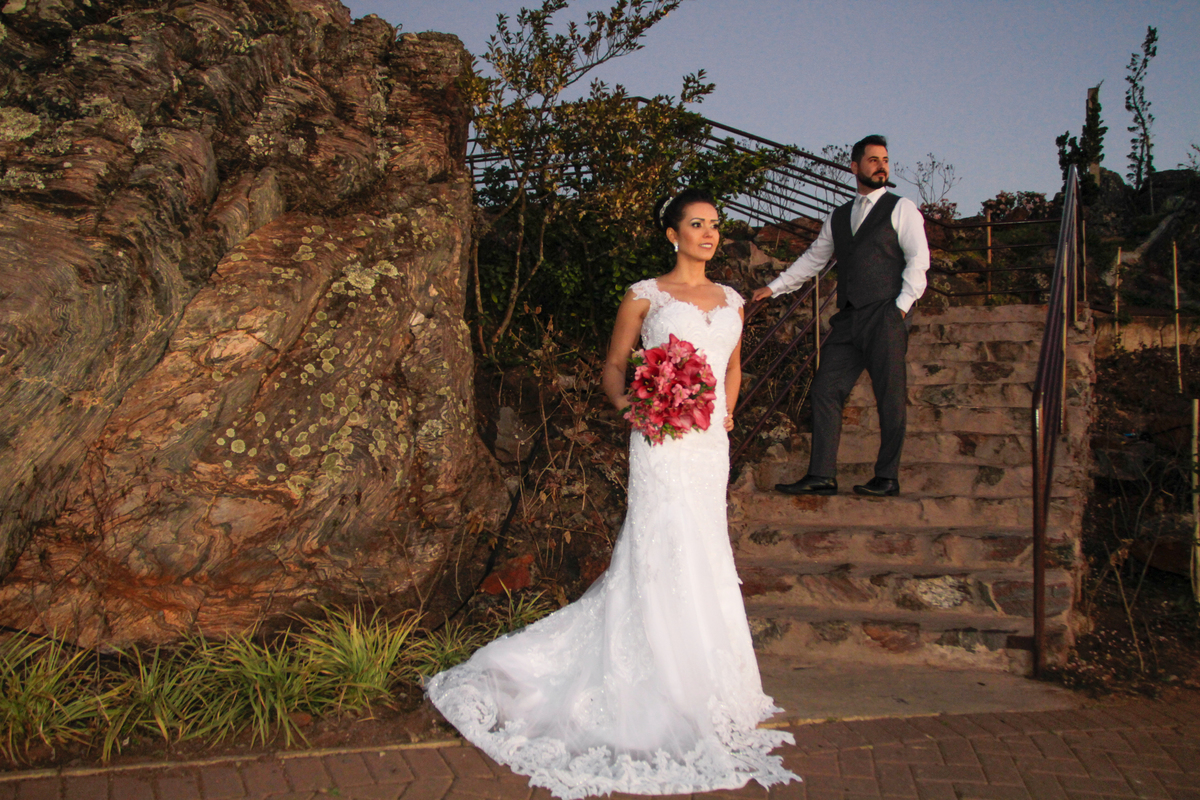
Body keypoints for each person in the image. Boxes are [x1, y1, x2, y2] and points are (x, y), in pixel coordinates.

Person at [426, 188, 800, 799]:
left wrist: (726, 414)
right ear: (671, 234)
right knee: (660, 544)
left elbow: (730, 365)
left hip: (707, 446)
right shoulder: (644, 295)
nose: (709, 234)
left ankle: (712, 681)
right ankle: (653, 676)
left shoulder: (732, 298)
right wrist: (633, 405)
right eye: (697, 225)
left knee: (705, 545)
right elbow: (614, 364)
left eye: (715, 226)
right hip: (657, 439)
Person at [752, 135, 930, 497]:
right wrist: (775, 287)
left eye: (885, 159)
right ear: (855, 166)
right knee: (825, 389)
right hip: (849, 319)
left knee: (890, 397)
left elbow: (918, 259)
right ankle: (821, 475)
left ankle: (887, 476)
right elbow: (815, 259)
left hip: (885, 314)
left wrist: (900, 306)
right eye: (873, 159)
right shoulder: (839, 216)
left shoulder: (901, 208)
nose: (881, 165)